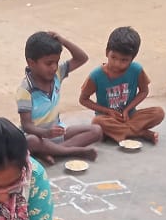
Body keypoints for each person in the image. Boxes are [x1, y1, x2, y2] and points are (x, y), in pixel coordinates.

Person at [17, 30, 102, 165]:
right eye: (48, 63)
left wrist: (63, 41)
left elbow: (82, 58)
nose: (54, 67)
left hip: (57, 132)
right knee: (31, 141)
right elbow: (27, 126)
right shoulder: (25, 89)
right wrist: (46, 133)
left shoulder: (57, 74)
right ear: (31, 63)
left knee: (96, 130)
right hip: (38, 136)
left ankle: (50, 152)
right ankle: (74, 151)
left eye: (56, 62)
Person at [78, 25, 164, 145]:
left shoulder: (137, 70)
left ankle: (119, 133)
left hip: (130, 116)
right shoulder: (96, 75)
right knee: (97, 122)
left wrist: (127, 110)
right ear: (107, 52)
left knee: (158, 113)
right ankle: (141, 133)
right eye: (113, 57)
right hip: (108, 118)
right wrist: (107, 111)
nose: (117, 64)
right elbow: (83, 99)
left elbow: (144, 91)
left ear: (132, 58)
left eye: (124, 60)